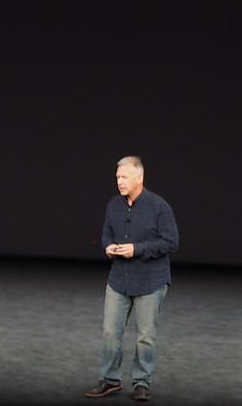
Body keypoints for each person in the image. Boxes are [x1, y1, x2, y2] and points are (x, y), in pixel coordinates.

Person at [84, 156, 179, 401]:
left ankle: (141, 382)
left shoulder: (159, 206)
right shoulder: (113, 205)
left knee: (145, 337)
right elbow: (106, 234)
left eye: (124, 176)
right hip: (119, 279)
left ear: (140, 177)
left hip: (150, 281)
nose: (120, 181)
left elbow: (171, 242)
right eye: (117, 177)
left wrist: (137, 249)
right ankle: (110, 380)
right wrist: (108, 246)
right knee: (110, 332)